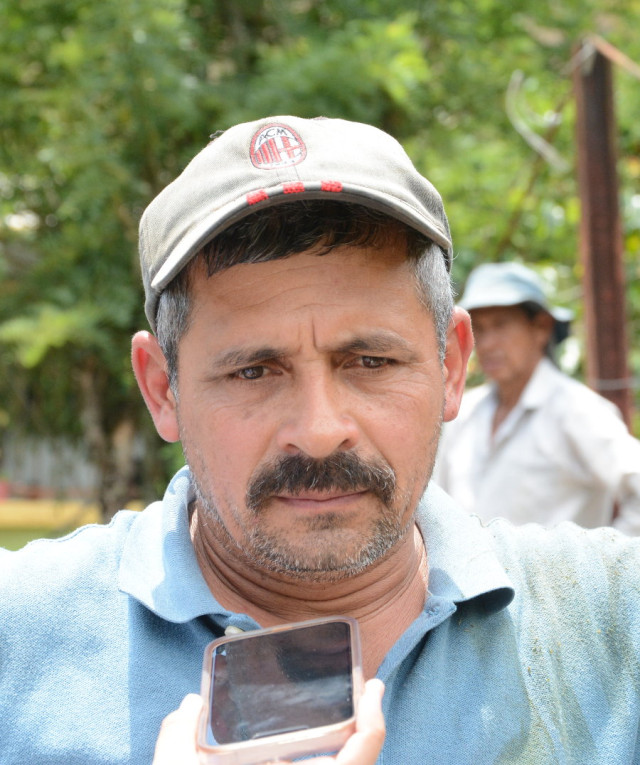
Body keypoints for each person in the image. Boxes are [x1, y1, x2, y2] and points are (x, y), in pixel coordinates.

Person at [0, 116, 639, 765]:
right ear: (163, 389)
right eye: (253, 371)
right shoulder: (14, 637)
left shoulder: (616, 623)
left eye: (370, 362)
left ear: (450, 366)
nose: (319, 430)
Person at [434, 261, 640, 534]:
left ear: (541, 328)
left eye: (501, 325)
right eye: (479, 329)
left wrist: (607, 566)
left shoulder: (576, 410)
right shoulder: (464, 412)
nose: (487, 343)